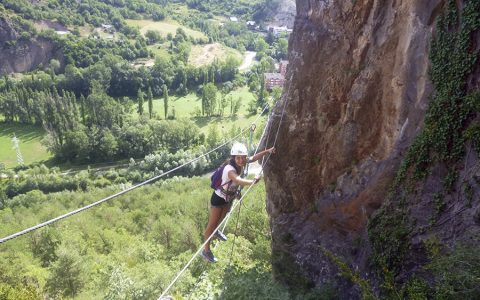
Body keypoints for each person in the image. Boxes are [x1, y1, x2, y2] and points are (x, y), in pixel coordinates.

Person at [201, 142, 275, 263]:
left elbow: (254, 157)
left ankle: (217, 232)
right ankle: (206, 250)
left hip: (228, 197)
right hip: (218, 198)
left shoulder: (243, 161)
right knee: (211, 225)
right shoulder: (229, 169)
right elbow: (237, 179)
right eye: (238, 158)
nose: (240, 160)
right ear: (233, 158)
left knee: (222, 217)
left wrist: (267, 151)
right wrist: (252, 181)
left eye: (242, 157)